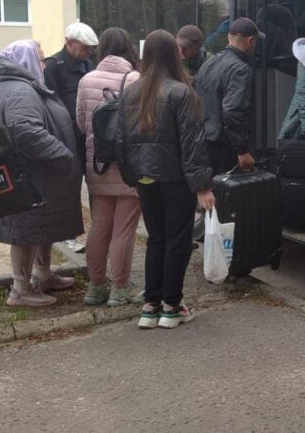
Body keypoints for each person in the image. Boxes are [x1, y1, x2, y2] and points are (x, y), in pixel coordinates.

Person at [0, 40, 84, 307]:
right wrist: (62, 153)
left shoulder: (6, 84)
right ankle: (20, 290)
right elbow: (26, 133)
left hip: (26, 170)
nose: (44, 64)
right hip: (31, 172)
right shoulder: (20, 91)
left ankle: (42, 275)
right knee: (24, 231)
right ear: (26, 61)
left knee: (38, 226)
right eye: (40, 59)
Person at [117, 30, 215, 329]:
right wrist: (202, 185)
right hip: (175, 178)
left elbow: (121, 138)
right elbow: (192, 143)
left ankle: (151, 305)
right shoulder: (181, 92)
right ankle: (172, 305)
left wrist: (130, 174)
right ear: (174, 53)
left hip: (144, 177)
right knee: (177, 240)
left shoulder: (132, 91)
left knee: (156, 238)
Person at [75, 28, 143, 307]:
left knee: (99, 226)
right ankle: (120, 288)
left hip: (98, 163)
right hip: (129, 166)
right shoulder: (136, 80)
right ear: (128, 49)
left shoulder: (87, 79)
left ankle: (96, 286)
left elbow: (81, 123)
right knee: (124, 230)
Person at [195, 17, 263, 175]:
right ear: (250, 41)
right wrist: (243, 151)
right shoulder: (241, 69)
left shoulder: (208, 64)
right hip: (225, 149)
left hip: (204, 142)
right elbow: (232, 110)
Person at [44, 22, 99, 160]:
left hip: (89, 135)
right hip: (68, 137)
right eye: (85, 48)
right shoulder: (53, 66)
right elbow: (52, 106)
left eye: (91, 48)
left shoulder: (89, 65)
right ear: (69, 43)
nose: (89, 52)